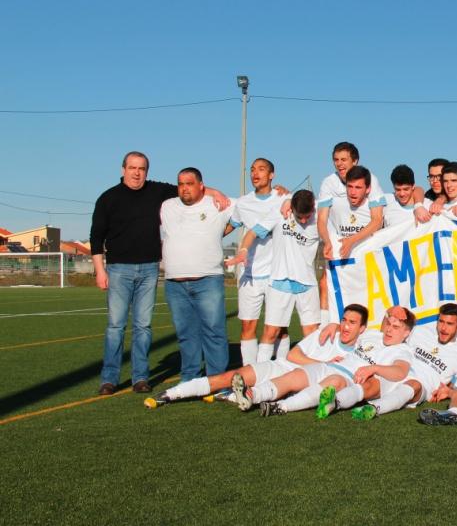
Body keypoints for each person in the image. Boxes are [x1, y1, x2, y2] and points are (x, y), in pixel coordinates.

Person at [143, 303, 366, 409]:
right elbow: (294, 354)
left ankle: (233, 396)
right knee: (233, 375)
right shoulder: (327, 333)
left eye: (352, 323)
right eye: (344, 320)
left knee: (270, 390)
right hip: (281, 365)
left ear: (363, 328)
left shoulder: (365, 348)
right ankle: (171, 394)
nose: (345, 326)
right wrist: (324, 363)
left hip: (297, 380)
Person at [90, 152, 175, 395]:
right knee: (115, 326)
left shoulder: (157, 192)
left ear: (147, 171)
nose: (137, 173)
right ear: (123, 169)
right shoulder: (108, 199)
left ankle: (140, 377)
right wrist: (100, 271)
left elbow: (188, 188)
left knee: (143, 327)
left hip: (149, 269)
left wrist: (217, 194)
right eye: (132, 168)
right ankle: (109, 379)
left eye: (142, 168)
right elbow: (96, 238)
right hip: (118, 270)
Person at [241, 305, 413, 416]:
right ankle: (253, 395)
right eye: (389, 325)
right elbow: (352, 327)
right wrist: (335, 325)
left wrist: (374, 369)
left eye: (396, 327)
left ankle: (281, 407)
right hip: (333, 365)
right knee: (296, 376)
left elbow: (400, 372)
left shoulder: (402, 351)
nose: (389, 330)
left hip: (349, 378)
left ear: (406, 333)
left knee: (333, 383)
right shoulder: (373, 335)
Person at [160, 167, 236, 382]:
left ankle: (217, 380)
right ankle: (190, 379)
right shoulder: (167, 206)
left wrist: (283, 195)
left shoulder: (217, 204)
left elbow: (250, 208)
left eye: (190, 183)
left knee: (214, 331)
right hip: (175, 283)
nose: (185, 188)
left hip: (207, 280)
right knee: (186, 335)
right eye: (181, 184)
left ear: (201, 186)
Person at [225, 190, 321, 359]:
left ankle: (309, 378)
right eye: (300, 217)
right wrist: (243, 250)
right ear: (292, 208)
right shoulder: (280, 212)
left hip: (307, 284)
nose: (304, 221)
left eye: (308, 216)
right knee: (271, 332)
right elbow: (252, 233)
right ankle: (259, 377)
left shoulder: (321, 215)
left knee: (312, 334)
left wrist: (290, 197)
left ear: (314, 207)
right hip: (279, 282)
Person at [350, 303, 457, 421]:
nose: (443, 328)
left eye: (449, 324)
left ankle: (374, 409)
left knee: (413, 384)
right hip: (397, 371)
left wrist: (448, 391)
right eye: (441, 321)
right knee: (366, 381)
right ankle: (338, 401)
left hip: (421, 385)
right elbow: (387, 329)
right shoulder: (420, 332)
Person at [316, 142, 387, 324]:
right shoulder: (328, 183)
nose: (339, 164)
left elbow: (377, 220)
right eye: (336, 160)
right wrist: (327, 241)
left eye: (344, 160)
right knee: (325, 282)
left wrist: (352, 240)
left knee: (367, 291)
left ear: (355, 161)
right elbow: (322, 220)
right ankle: (325, 328)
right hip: (340, 246)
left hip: (365, 247)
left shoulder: (370, 179)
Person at [228, 158, 288, 365]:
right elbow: (228, 227)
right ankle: (250, 372)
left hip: (278, 274)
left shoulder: (283, 198)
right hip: (250, 274)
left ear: (272, 175)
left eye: (261, 169)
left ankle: (281, 370)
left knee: (280, 327)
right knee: (247, 327)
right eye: (252, 170)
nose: (255, 173)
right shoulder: (242, 203)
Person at [323, 166, 380, 324]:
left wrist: (351, 240)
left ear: (368, 189)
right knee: (341, 317)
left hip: (368, 275)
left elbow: (377, 222)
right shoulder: (335, 204)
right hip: (343, 275)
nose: (353, 192)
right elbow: (313, 211)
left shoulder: (376, 207)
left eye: (358, 187)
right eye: (350, 186)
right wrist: (287, 200)